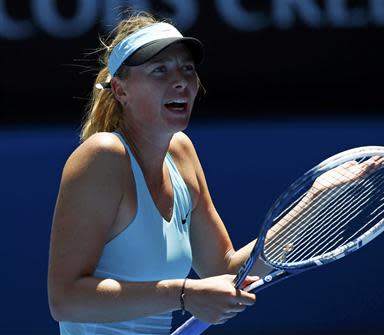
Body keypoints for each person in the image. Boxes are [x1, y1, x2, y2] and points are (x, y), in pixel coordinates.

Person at [47, 11, 272, 335]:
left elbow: (225, 270)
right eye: (159, 70)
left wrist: (314, 202)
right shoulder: (103, 157)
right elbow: (64, 300)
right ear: (121, 91)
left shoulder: (181, 154)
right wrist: (183, 294)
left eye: (187, 68)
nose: (180, 80)